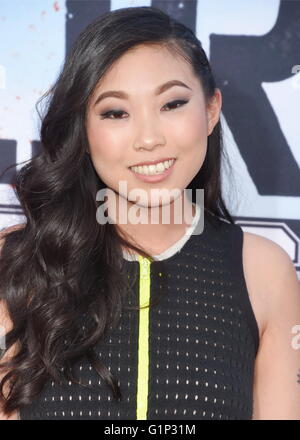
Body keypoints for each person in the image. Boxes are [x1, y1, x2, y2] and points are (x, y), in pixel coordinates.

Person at [0, 6, 300, 421]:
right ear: (83, 132)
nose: (149, 138)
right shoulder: (16, 261)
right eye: (115, 112)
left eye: (172, 104)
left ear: (211, 110)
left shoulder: (263, 270)